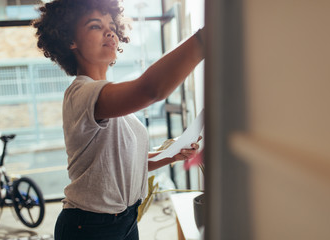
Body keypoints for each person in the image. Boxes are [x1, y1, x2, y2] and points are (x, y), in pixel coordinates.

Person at [33, 0, 205, 239]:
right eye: (95, 26)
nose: (109, 31)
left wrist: (172, 154)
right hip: (90, 226)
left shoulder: (111, 102)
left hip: (125, 220)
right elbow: (150, 89)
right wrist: (206, 38)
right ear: (70, 40)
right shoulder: (81, 93)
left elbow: (128, 165)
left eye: (112, 24)